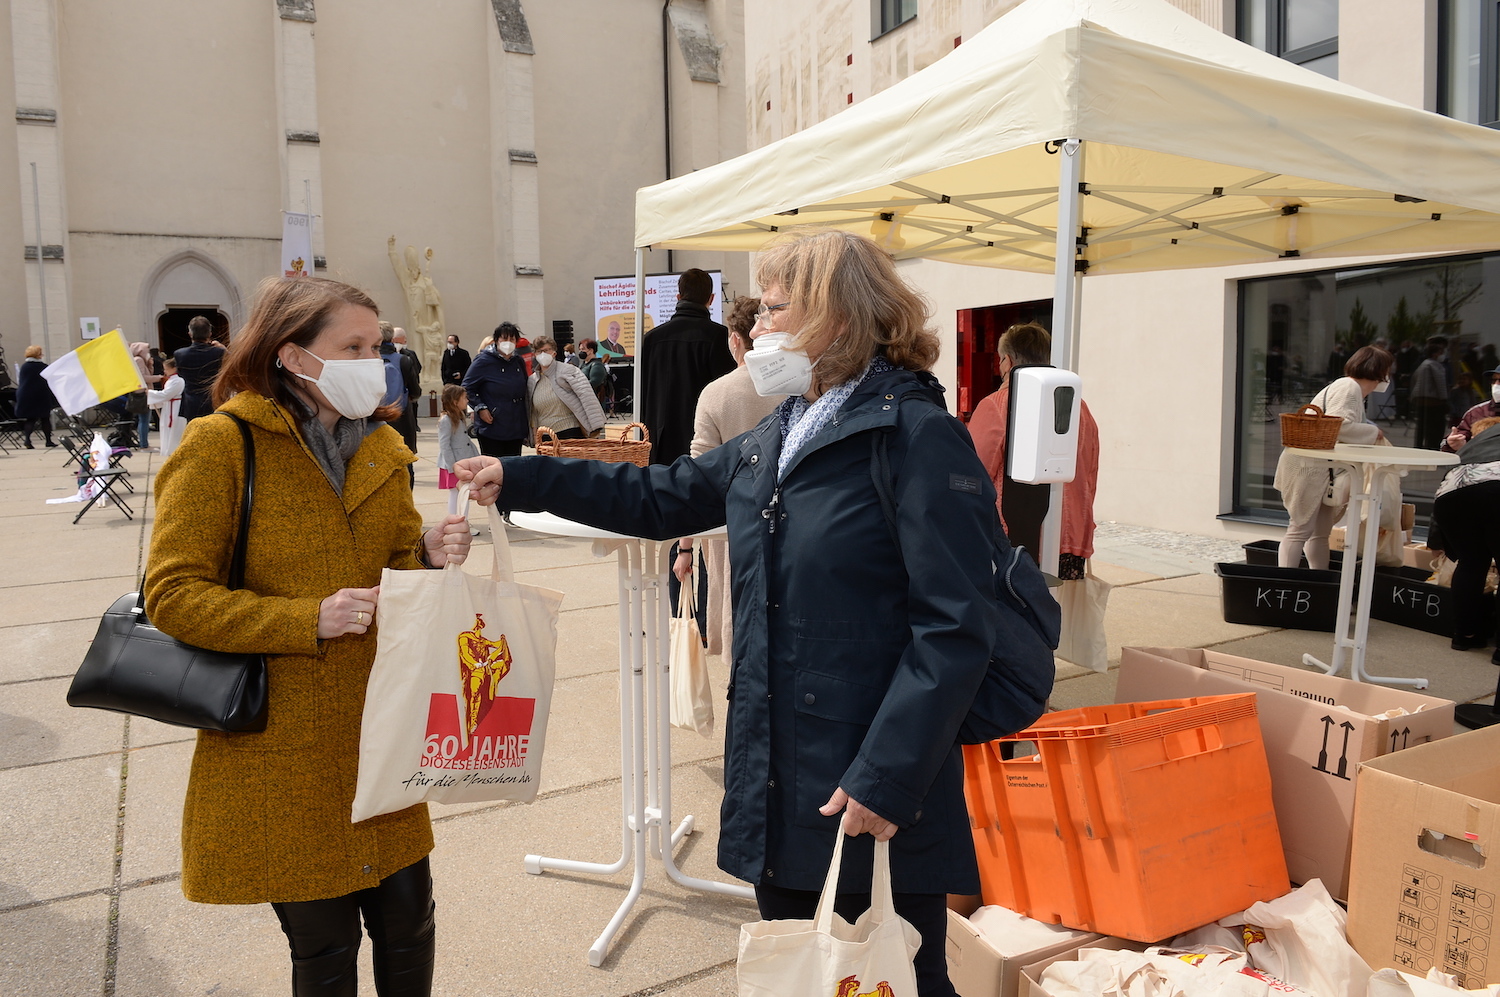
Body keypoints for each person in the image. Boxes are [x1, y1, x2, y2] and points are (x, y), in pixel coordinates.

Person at [457, 230, 999, 997]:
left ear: (838, 319)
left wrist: (890, 774)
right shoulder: (782, 431)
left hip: (868, 783)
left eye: (775, 309)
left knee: (896, 977)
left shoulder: (916, 438)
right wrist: (520, 476)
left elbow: (954, 627)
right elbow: (661, 494)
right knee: (801, 974)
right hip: (781, 780)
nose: (756, 328)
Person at [143, 276, 471, 997]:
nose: (372, 362)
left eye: (376, 346)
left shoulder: (382, 447)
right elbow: (170, 593)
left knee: (410, 921)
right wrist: (304, 618)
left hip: (379, 731)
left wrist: (424, 551)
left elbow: (391, 561)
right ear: (293, 356)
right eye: (352, 347)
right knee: (324, 947)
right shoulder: (222, 445)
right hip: (284, 748)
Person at [672, 295, 782, 657]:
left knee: (739, 622)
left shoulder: (716, 393)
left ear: (735, 339)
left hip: (730, 524)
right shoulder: (799, 385)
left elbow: (696, 474)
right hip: (792, 517)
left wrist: (685, 547)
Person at [966, 322, 1101, 579]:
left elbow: (975, 475)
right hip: (1070, 537)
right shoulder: (1079, 406)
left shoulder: (996, 405)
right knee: (1059, 604)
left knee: (1013, 603)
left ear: (1007, 361)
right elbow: (1090, 473)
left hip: (1013, 539)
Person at [1274, 345, 1395, 570]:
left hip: (1319, 469)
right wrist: (1373, 432)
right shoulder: (1349, 387)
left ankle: (1318, 581)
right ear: (1379, 370)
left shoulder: (1350, 387)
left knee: (1318, 533)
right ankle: (1287, 583)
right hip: (1309, 467)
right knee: (1300, 529)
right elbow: (1341, 425)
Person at [638, 269, 736, 465]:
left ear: (678, 297)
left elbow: (642, 393)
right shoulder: (717, 336)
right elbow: (726, 391)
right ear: (711, 299)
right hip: (700, 438)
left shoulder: (651, 339)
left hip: (657, 439)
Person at [1433, 415, 1500, 660]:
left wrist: (1435, 541)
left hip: (1453, 492)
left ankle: (1464, 635)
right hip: (1496, 488)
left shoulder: (1482, 440)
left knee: (1471, 563)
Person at [462, 323, 530, 458]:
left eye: (512, 339)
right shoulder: (483, 361)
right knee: (493, 466)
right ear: (497, 340)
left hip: (515, 426)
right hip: (492, 426)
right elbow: (467, 387)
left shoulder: (518, 361)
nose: (508, 343)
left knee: (513, 465)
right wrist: (480, 408)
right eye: (504, 339)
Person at [527, 335, 605, 442]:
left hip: (570, 432)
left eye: (546, 350)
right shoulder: (532, 380)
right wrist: (535, 438)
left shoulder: (569, 370)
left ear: (554, 353)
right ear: (535, 354)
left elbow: (586, 394)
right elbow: (533, 413)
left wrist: (596, 426)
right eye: (539, 351)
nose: (543, 354)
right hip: (545, 436)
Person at [379, 322, 420, 488]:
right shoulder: (404, 360)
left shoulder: (367, 359)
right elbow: (416, 391)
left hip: (376, 418)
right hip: (401, 417)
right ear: (392, 338)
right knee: (405, 462)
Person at [436, 384, 478, 516]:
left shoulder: (458, 417)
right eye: (464, 398)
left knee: (463, 492)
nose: (467, 400)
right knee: (457, 493)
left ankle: (462, 520)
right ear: (455, 402)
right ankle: (457, 521)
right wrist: (453, 466)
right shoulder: (446, 420)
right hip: (455, 464)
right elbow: (444, 445)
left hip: (463, 461)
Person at [175, 316, 225, 422]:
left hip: (191, 402)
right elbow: (235, 366)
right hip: (213, 400)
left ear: (190, 334)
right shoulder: (219, 353)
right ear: (209, 334)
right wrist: (224, 349)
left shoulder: (179, 354)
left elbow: (180, 374)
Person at [1444, 366, 1500, 453]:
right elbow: (1458, 438)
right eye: (1493, 380)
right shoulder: (1476, 413)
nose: (1496, 385)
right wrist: (1454, 445)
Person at [1410, 339, 1450, 450]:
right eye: (1441, 352)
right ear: (1435, 354)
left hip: (1420, 399)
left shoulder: (1423, 364)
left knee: (1422, 426)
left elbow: (1414, 380)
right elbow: (1440, 383)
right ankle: (1433, 446)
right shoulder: (1435, 365)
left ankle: (1419, 445)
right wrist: (1444, 399)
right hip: (1434, 400)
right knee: (1435, 427)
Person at [15, 345, 58, 448]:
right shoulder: (43, 367)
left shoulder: (25, 367)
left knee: (31, 419)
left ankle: (27, 440)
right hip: (41, 396)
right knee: (45, 419)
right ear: (38, 354)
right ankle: (48, 441)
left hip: (26, 396)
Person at [147, 358, 186, 458]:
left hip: (175, 408)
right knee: (167, 429)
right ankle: (168, 452)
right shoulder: (171, 380)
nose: (165, 371)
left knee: (174, 430)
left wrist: (150, 393)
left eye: (166, 369)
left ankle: (173, 451)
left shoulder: (178, 380)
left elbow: (166, 394)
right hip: (169, 406)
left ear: (174, 368)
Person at [128, 341, 160, 449]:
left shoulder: (140, 360)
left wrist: (150, 365)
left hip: (144, 392)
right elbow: (142, 377)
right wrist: (158, 378)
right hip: (143, 393)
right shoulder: (139, 360)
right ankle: (144, 443)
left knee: (144, 419)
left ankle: (143, 442)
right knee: (144, 419)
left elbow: (147, 374)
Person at [578, 339, 613, 412]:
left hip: (593, 403)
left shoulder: (597, 365)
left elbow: (594, 382)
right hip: (583, 401)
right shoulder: (583, 364)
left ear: (591, 350)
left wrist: (577, 387)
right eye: (580, 349)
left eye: (583, 349)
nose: (580, 351)